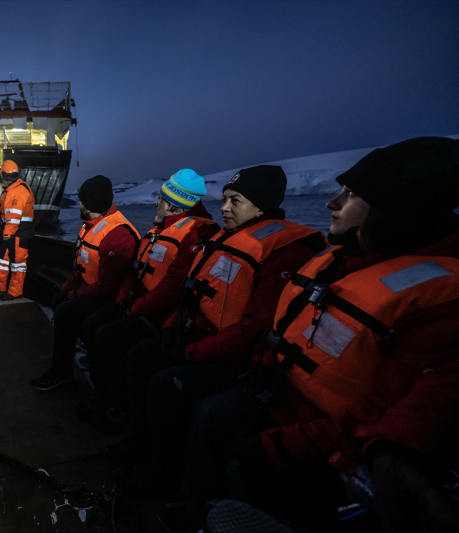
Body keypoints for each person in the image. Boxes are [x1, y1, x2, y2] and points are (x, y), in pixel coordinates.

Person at [175, 137, 459, 532]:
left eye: (352, 194)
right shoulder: (340, 257)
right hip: (273, 386)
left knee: (232, 450)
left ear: (395, 212)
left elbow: (394, 407)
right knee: (209, 420)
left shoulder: (437, 301)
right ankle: (196, 511)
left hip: (322, 426)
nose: (332, 203)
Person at [111, 165, 326, 487]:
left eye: (235, 201)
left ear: (261, 206)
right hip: (198, 337)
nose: (224, 208)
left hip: (237, 359)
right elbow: (189, 290)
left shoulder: (284, 252)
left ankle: (167, 473)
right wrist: (171, 329)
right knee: (142, 357)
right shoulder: (224, 238)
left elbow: (255, 327)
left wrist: (192, 351)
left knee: (166, 384)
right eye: (224, 199)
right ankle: (141, 441)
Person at [74, 169, 220, 432]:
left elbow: (173, 287)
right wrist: (122, 299)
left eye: (161, 199)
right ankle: (104, 394)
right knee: (92, 325)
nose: (157, 203)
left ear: (173, 204)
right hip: (136, 306)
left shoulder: (196, 235)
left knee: (109, 337)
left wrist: (133, 309)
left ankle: (121, 407)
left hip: (161, 315)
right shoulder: (159, 230)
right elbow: (134, 268)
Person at [31, 175, 139, 391]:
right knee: (58, 299)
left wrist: (74, 295)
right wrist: (67, 289)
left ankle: (61, 372)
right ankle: (75, 356)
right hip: (92, 290)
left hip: (110, 298)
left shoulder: (118, 235)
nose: (78, 204)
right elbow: (79, 265)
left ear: (90, 205)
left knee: (66, 311)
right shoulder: (90, 225)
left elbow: (108, 286)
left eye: (81, 201)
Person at [0, 160, 36, 301]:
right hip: (12, 233)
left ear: (5, 176)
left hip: (19, 234)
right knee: (3, 259)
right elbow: (5, 211)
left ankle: (15, 291)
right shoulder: (10, 190)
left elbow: (13, 216)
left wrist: (6, 234)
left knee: (18, 263)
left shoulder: (18, 191)